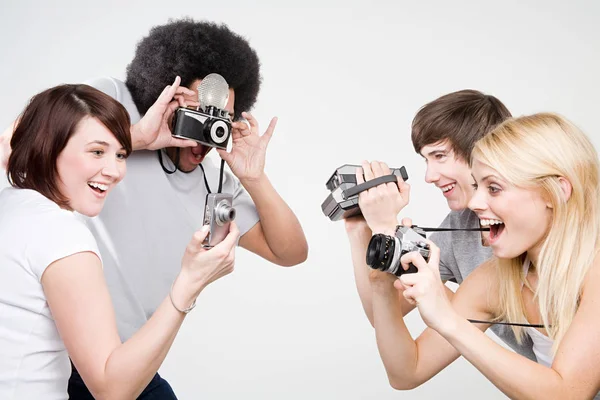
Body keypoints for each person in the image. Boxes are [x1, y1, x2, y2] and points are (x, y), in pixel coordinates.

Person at [62, 19, 308, 397]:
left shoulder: (216, 182)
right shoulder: (114, 103)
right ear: (162, 91)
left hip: (130, 361)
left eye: (220, 118)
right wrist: (140, 137)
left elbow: (290, 252)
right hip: (65, 355)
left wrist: (254, 177)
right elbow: (24, 145)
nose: (206, 130)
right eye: (197, 112)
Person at [0, 84, 240, 399]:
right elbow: (112, 389)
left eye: (121, 154)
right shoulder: (61, 236)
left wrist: (139, 135)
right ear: (50, 146)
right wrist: (190, 282)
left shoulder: (11, 204)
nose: (114, 171)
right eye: (97, 152)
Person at [362, 113, 600, 398]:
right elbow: (406, 372)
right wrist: (381, 283)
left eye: (494, 188)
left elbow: (568, 393)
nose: (474, 203)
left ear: (556, 192)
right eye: (477, 186)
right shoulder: (497, 278)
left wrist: (448, 320)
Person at [345, 89, 536, 360]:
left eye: (440, 156)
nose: (429, 176)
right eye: (426, 159)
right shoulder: (460, 228)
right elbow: (384, 313)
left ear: (482, 150)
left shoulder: (534, 214)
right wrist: (361, 231)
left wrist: (388, 230)